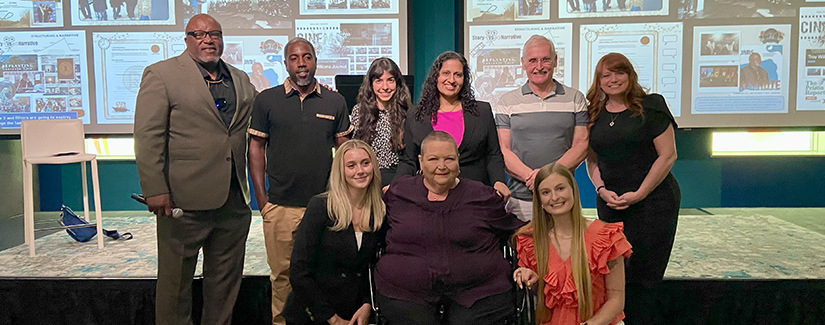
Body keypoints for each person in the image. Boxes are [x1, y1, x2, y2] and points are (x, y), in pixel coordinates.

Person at [134, 14, 257, 325]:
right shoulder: (161, 75)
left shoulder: (240, 79)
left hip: (233, 201)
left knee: (225, 286)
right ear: (186, 39)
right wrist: (155, 189)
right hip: (182, 201)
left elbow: (258, 119)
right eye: (199, 34)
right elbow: (148, 136)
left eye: (214, 34)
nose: (208, 40)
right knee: (175, 287)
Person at [248, 37, 351, 325]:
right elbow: (255, 149)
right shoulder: (266, 100)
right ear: (286, 64)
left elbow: (345, 152)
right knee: (282, 277)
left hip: (325, 207)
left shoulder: (335, 101)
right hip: (280, 207)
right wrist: (262, 201)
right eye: (294, 58)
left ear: (315, 60)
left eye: (307, 57)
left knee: (324, 275)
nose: (301, 63)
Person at [375, 131, 526, 325]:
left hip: (480, 290)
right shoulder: (398, 193)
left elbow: (516, 229)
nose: (441, 166)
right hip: (405, 291)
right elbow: (374, 231)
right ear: (420, 162)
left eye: (449, 159)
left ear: (458, 161)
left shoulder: (482, 195)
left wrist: (527, 264)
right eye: (433, 159)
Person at [585, 52, 680, 324]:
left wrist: (640, 193)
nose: (613, 79)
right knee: (614, 275)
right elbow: (592, 158)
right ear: (599, 81)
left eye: (619, 72)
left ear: (630, 75)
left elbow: (668, 155)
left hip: (653, 204)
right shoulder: (594, 112)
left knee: (644, 276)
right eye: (607, 75)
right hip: (610, 203)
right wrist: (601, 188)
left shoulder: (651, 106)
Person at [512, 163, 632, 324]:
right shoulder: (531, 241)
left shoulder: (607, 238)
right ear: (539, 200)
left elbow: (616, 300)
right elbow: (544, 296)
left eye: (560, 188)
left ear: (573, 190)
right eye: (546, 192)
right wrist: (533, 280)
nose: (554, 197)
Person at [284, 140, 385, 325]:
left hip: (353, 313)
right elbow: (299, 271)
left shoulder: (379, 211)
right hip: (312, 312)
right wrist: (331, 318)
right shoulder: (320, 207)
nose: (360, 171)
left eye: (365, 163)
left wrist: (367, 304)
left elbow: (371, 268)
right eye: (351, 165)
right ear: (340, 170)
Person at [495, 35, 589, 222]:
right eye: (532, 60)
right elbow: (503, 150)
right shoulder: (507, 102)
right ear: (523, 63)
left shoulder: (575, 98)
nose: (539, 66)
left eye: (545, 59)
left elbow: (581, 145)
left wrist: (549, 177)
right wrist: (536, 179)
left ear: (555, 61)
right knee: (523, 251)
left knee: (565, 250)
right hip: (521, 200)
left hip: (563, 198)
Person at [396, 51, 509, 200]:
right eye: (446, 73)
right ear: (436, 77)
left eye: (458, 75)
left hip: (475, 194)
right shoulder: (416, 115)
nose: (451, 80)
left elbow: (493, 154)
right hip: (432, 196)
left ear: (464, 79)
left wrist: (499, 181)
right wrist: (396, 186)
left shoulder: (482, 111)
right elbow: (409, 160)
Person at [350, 57, 412, 187]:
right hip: (366, 177)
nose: (385, 87)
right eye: (379, 81)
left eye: (390, 80)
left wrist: (395, 184)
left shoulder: (408, 113)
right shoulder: (359, 111)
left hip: (397, 178)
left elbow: (409, 158)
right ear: (371, 84)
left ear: (397, 83)